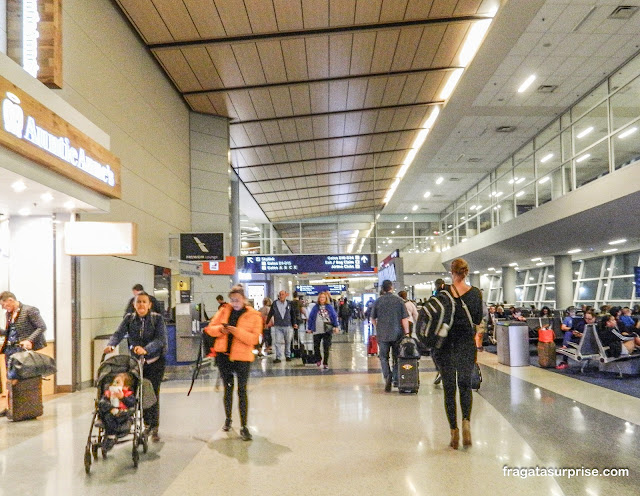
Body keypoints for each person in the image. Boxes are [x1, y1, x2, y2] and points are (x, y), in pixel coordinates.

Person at [432, 258, 483, 449]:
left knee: (449, 389)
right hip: (466, 346)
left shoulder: (443, 293)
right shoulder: (476, 293)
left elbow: (436, 318)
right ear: (466, 272)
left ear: (452, 273)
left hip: (446, 346)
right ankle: (466, 422)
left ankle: (453, 432)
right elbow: (477, 318)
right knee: (464, 386)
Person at [105, 291, 167, 442]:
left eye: (144, 302)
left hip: (155, 362)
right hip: (136, 363)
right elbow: (119, 333)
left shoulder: (157, 319)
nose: (141, 305)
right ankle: (141, 423)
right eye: (138, 302)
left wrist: (146, 349)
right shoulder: (129, 319)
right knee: (136, 393)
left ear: (149, 305)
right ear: (134, 305)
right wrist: (111, 344)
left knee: (151, 393)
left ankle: (153, 425)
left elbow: (161, 339)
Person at [204, 285, 261, 441]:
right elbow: (210, 328)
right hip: (224, 356)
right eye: (232, 300)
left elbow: (254, 339)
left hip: (242, 358)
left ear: (244, 299)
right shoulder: (224, 310)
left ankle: (244, 426)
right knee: (227, 389)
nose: (234, 302)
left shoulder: (254, 315)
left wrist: (235, 331)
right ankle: (228, 419)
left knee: (242, 390)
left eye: (237, 299)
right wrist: (221, 330)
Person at [0, 291, 47, 417]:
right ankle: (10, 407)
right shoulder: (9, 315)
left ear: (10, 300)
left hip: (22, 351)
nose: (3, 307)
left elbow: (41, 327)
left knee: (21, 378)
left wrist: (29, 340)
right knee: (10, 378)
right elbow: (9, 332)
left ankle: (25, 407)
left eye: (4, 304)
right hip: (10, 350)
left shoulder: (29, 310)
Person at [371, 280, 409, 392]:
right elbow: (404, 319)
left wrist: (378, 326)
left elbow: (372, 319)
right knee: (397, 356)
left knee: (383, 357)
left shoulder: (378, 301)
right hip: (397, 333)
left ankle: (387, 376)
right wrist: (407, 333)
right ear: (391, 288)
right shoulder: (399, 301)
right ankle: (396, 379)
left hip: (382, 334)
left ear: (383, 289)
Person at [98, 372, 136, 451]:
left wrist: (122, 398)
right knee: (102, 405)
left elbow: (132, 404)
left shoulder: (128, 395)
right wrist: (107, 401)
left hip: (122, 415)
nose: (114, 384)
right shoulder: (108, 393)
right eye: (113, 382)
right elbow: (102, 404)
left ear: (125, 387)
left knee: (129, 411)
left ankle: (111, 435)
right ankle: (111, 436)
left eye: (117, 382)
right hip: (111, 414)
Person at [306, 292, 339, 370]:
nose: (322, 299)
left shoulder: (329, 307)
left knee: (326, 347)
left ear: (326, 299)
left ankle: (325, 362)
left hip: (327, 330)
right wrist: (309, 328)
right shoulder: (315, 307)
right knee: (316, 346)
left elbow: (334, 317)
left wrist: (336, 326)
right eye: (320, 298)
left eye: (323, 298)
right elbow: (311, 318)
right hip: (317, 330)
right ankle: (318, 358)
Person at [266, 290, 299, 363]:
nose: (281, 296)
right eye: (280, 294)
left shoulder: (289, 303)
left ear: (286, 295)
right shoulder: (275, 303)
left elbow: (292, 314)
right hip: (278, 325)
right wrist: (267, 322)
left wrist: (295, 323)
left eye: (282, 294)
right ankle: (278, 357)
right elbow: (271, 313)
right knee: (277, 342)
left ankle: (287, 355)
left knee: (288, 341)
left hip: (287, 325)